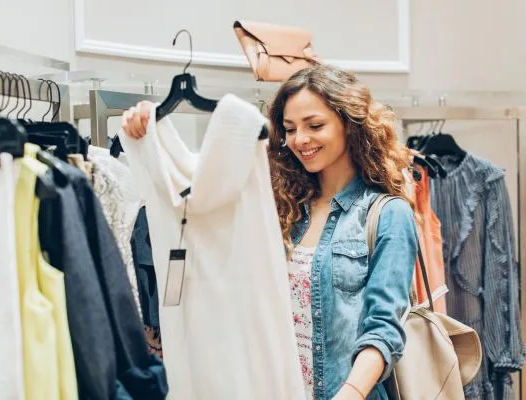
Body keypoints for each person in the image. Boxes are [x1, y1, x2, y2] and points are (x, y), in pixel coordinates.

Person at [121, 64, 417, 400]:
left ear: (350, 125)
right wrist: (146, 128)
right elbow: (203, 183)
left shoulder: (389, 215)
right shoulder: (281, 205)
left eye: (315, 125)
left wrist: (349, 393)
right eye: (290, 129)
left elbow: (384, 329)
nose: (300, 140)